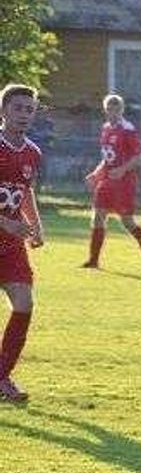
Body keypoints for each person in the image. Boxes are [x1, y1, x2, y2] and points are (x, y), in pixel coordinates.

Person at [0, 84, 46, 403]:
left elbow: (25, 191)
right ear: (4, 110)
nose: (24, 114)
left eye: (29, 110)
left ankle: (2, 377)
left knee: (24, 303)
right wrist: (7, 222)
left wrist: (36, 226)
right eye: (18, 108)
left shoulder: (33, 152)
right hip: (8, 230)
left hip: (11, 245)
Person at [81, 94, 141, 271]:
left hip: (124, 183)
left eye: (116, 109)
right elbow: (107, 158)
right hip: (107, 181)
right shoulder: (106, 128)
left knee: (127, 222)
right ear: (105, 110)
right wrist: (95, 174)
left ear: (122, 110)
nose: (113, 112)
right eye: (109, 109)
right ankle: (93, 260)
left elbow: (139, 157)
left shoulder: (127, 129)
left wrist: (123, 169)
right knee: (98, 216)